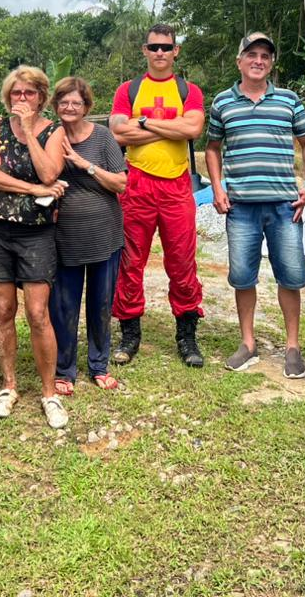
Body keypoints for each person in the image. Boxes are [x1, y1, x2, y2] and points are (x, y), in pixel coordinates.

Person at [205, 32, 305, 378]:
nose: (258, 61)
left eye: (265, 56)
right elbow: (213, 148)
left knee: (291, 277)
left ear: (271, 63)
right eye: (251, 54)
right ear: (239, 61)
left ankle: (293, 347)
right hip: (240, 207)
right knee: (243, 278)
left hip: (285, 205)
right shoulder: (222, 103)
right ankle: (248, 343)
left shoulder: (288, 100)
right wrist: (217, 188)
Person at [0, 65, 70, 429]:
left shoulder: (53, 131)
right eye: (16, 93)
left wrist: (29, 131)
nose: (22, 98)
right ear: (8, 96)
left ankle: (49, 393)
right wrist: (32, 189)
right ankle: (9, 386)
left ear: (41, 97)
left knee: (37, 313)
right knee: (3, 310)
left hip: (37, 232)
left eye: (29, 93)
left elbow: (49, 173)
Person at [109, 23, 206, 368]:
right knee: (130, 261)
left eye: (166, 47)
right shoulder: (129, 89)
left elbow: (193, 128)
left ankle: (187, 334)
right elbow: (117, 133)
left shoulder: (188, 90)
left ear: (176, 51)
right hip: (136, 183)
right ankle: (130, 333)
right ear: (145, 51)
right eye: (154, 47)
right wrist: (170, 129)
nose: (160, 52)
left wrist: (144, 124)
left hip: (177, 184)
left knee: (182, 262)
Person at [50, 76, 128, 393]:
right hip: (64, 236)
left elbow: (120, 183)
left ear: (86, 107)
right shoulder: (50, 136)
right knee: (63, 305)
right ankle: (64, 369)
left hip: (104, 234)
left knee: (101, 302)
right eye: (64, 102)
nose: (70, 107)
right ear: (56, 106)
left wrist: (85, 165)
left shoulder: (103, 137)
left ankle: (99, 364)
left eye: (76, 102)